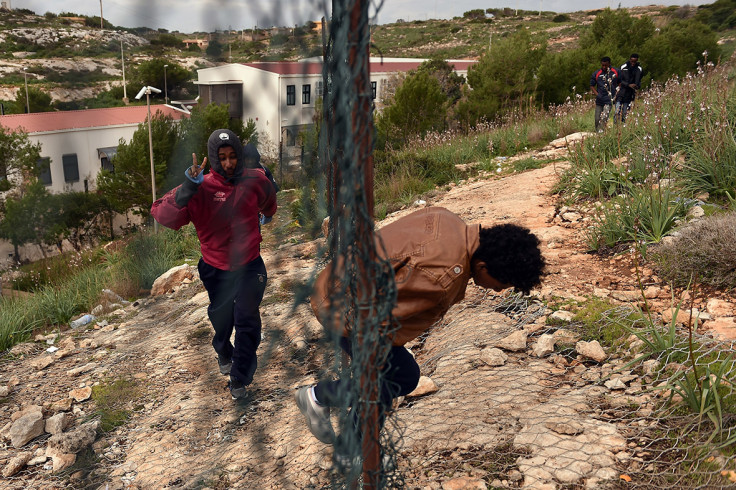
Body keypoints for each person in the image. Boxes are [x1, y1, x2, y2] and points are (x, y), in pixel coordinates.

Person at [295, 206, 545, 463]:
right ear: (483, 267)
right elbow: (375, 321)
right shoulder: (442, 279)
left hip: (336, 281)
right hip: (341, 308)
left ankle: (349, 446)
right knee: (397, 377)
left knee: (391, 374)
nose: (499, 291)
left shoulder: (448, 219)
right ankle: (321, 401)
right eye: (503, 285)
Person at [151, 129, 277, 400]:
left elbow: (269, 201)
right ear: (213, 159)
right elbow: (163, 215)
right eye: (222, 158)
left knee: (247, 319)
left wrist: (265, 215)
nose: (229, 163)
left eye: (233, 156)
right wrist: (188, 188)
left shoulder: (255, 179)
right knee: (223, 320)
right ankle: (222, 348)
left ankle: (238, 378)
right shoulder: (200, 187)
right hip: (216, 268)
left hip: (250, 265)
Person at [590, 56, 619, 132]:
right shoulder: (597, 73)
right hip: (599, 100)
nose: (604, 67)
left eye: (606, 65)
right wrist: (597, 94)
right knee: (597, 119)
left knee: (604, 118)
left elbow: (620, 83)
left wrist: (616, 93)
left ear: (609, 64)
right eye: (602, 65)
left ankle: (601, 134)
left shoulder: (615, 72)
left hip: (609, 100)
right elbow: (592, 85)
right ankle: (597, 133)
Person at [615, 53, 643, 124]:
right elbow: (618, 80)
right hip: (621, 93)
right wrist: (628, 85)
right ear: (629, 59)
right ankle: (615, 127)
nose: (633, 63)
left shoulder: (639, 69)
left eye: (635, 62)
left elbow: (639, 81)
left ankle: (623, 127)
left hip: (630, 95)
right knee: (617, 111)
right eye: (632, 61)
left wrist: (637, 86)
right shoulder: (623, 67)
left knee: (625, 113)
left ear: (637, 61)